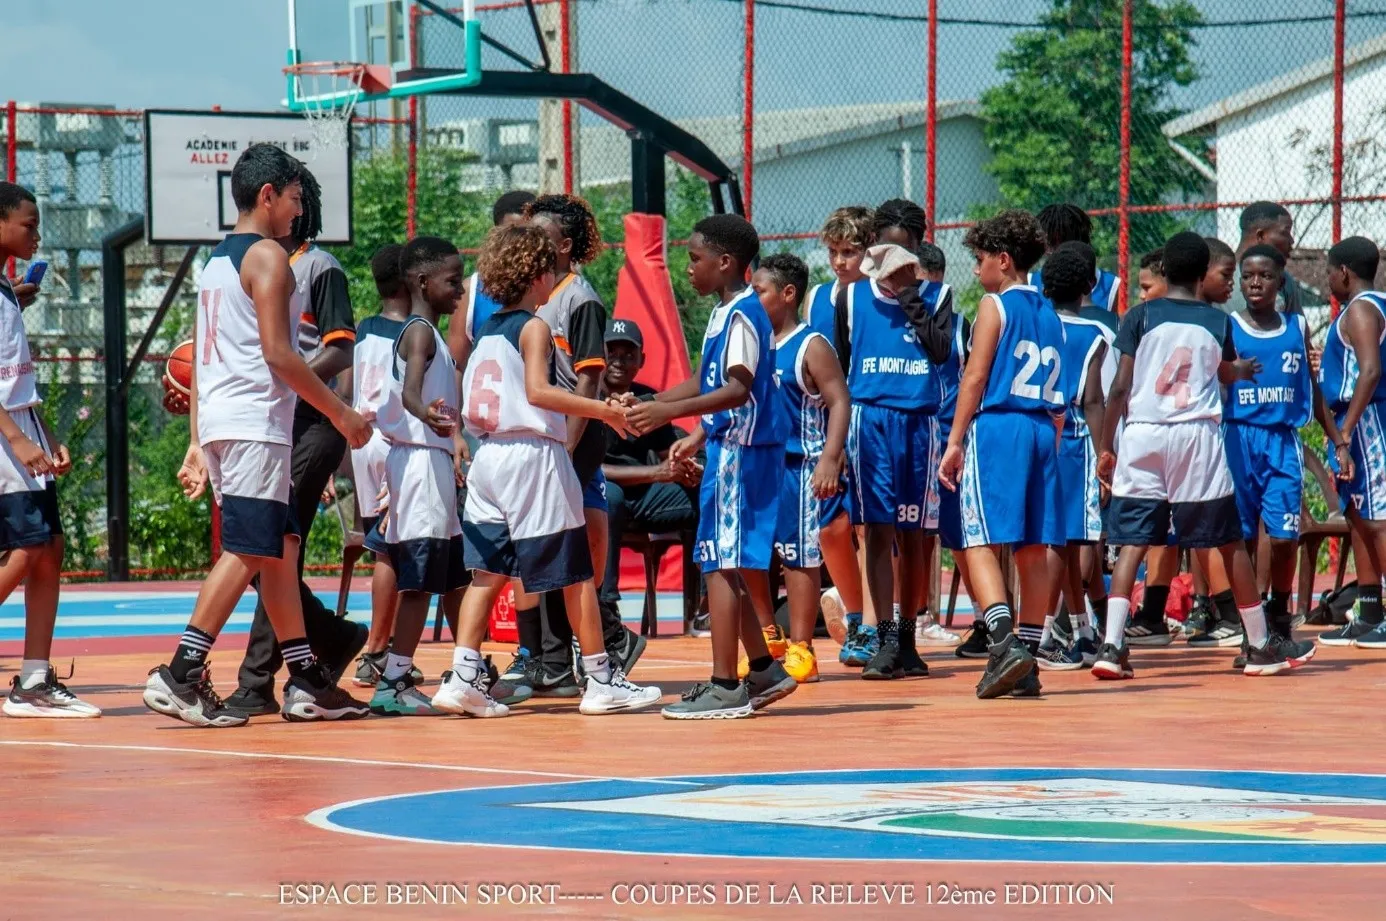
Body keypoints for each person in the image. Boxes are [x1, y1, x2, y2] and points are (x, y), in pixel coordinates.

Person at [143, 144, 371, 728]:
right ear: (267, 195)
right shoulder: (271, 257)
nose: (301, 211)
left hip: (227, 422)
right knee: (249, 549)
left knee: (280, 551)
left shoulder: (217, 262)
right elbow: (280, 356)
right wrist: (343, 416)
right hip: (255, 427)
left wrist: (197, 439)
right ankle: (181, 672)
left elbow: (205, 358)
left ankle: (306, 677)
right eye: (295, 198)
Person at [431, 224, 658, 717]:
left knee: (486, 575)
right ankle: (600, 679)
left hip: (489, 456)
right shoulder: (532, 328)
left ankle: (464, 676)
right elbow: (537, 391)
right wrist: (605, 412)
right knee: (576, 574)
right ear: (536, 275)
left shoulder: (486, 331)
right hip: (530, 455)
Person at [1095, 231, 1315, 680]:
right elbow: (1222, 370)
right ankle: (1258, 643)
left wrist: (1106, 444)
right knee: (1229, 540)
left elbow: (1119, 387)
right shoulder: (1219, 323)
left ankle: (1112, 646)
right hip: (1195, 436)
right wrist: (1240, 370)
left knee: (1133, 543)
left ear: (1165, 271)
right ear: (1201, 275)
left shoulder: (1138, 315)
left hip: (1143, 433)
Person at [625, 214, 797, 719]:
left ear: (725, 263)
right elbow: (703, 380)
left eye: (695, 258)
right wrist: (648, 404)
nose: (688, 267)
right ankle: (763, 669)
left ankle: (725, 684)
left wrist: (669, 414)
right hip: (732, 449)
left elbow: (738, 389)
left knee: (720, 564)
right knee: (730, 564)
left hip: (743, 454)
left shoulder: (744, 313)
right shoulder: (727, 313)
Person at [222, 166, 368, 717]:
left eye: (296, 197)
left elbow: (339, 349)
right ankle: (326, 640)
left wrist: (291, 379)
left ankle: (257, 681)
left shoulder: (319, 267)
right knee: (271, 550)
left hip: (311, 422)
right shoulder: (250, 263)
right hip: (266, 422)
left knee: (269, 548)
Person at [939, 209, 1066, 700]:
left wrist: (954, 442)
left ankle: (1001, 640)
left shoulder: (996, 306)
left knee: (977, 538)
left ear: (1004, 260)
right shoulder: (1050, 312)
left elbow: (974, 377)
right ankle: (1027, 661)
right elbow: (1061, 396)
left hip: (1000, 427)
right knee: (1033, 549)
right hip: (1042, 429)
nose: (976, 269)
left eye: (980, 259)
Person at [524, 193, 645, 694]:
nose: (531, 242)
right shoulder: (539, 295)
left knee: (566, 546)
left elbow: (590, 384)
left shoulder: (581, 298)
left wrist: (567, 450)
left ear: (564, 243)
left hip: (577, 435)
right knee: (553, 545)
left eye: (540, 234)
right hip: (551, 436)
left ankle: (593, 648)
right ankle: (564, 654)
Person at [836, 200, 956, 673]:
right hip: (870, 422)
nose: (896, 258)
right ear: (872, 245)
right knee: (878, 532)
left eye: (905, 250)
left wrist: (910, 295)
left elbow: (942, 350)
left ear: (918, 249)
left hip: (920, 423)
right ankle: (884, 637)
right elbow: (840, 374)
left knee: (917, 536)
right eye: (887, 247)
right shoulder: (847, 297)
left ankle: (908, 638)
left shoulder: (937, 296)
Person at [1204, 243, 1331, 667]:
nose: (1254, 283)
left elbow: (1310, 387)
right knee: (1239, 536)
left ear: (1280, 281)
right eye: (1247, 276)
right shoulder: (1228, 327)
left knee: (1283, 536)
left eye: (1264, 276)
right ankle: (1252, 626)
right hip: (1238, 439)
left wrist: (1339, 439)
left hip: (1281, 440)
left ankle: (1279, 608)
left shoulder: (1297, 326)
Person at [0, 182, 96, 718]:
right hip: (6, 441)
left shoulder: (6, 291)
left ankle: (34, 679)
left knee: (49, 546)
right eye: (28, 224)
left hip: (22, 432)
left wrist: (46, 434)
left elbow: (15, 378)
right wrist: (16, 438)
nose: (37, 233)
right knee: (30, 547)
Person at [364, 236, 471, 716]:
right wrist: (426, 414)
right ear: (424, 282)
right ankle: (394, 680)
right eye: (454, 280)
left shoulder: (430, 332)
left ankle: (469, 668)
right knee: (421, 578)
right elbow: (409, 393)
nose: (462, 289)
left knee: (449, 576)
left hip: (432, 459)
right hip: (420, 461)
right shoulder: (421, 333)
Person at [754, 252, 850, 684]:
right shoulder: (755, 342)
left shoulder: (811, 344)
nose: (753, 299)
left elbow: (839, 400)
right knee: (755, 558)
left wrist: (830, 457)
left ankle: (803, 651)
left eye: (760, 291)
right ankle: (770, 642)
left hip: (800, 464)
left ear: (788, 294)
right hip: (760, 463)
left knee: (799, 557)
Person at [596, 319, 702, 631]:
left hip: (647, 500)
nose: (619, 361)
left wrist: (686, 467)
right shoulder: (586, 398)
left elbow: (672, 449)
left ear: (641, 361)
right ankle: (607, 607)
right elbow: (592, 471)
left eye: (628, 355)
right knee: (609, 496)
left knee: (706, 490)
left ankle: (703, 605)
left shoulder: (648, 399)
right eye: (611, 353)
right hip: (603, 497)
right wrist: (656, 472)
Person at [801, 206, 871, 650]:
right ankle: (856, 612)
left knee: (868, 529)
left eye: (850, 251)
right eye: (834, 252)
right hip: (826, 424)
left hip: (871, 420)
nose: (841, 261)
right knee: (830, 529)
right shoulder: (818, 299)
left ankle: (877, 624)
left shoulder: (881, 297)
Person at [1037, 244, 1107, 671]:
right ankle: (1042, 633)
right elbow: (1095, 400)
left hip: (1036, 431)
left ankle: (1080, 628)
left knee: (1055, 537)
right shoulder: (1091, 336)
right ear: (1089, 287)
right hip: (1074, 436)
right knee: (1069, 539)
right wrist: (1105, 456)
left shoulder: (1033, 324)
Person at [346, 244, 412, 686]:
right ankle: (375, 652)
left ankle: (383, 648)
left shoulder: (364, 328)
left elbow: (347, 386)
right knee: (392, 548)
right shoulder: (414, 332)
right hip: (391, 441)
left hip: (361, 439)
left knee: (381, 546)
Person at [1318, 236, 1386, 648]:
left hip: (1365, 422)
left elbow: (1370, 371)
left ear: (1344, 272)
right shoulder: (1366, 307)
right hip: (1351, 421)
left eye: (1328, 271)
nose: (1327, 279)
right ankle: (1368, 610)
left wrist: (1346, 430)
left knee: (1378, 517)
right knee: (1357, 515)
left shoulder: (1361, 308)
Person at [1032, 203, 1121, 312]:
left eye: (1062, 244)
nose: (1056, 252)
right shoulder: (1031, 282)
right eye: (1050, 244)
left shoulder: (1110, 285)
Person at [1224, 201, 1303, 316]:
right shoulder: (1217, 278)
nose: (1291, 240)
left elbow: (1299, 329)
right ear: (1260, 236)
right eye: (1285, 233)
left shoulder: (1284, 279)